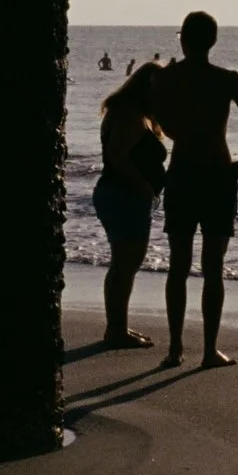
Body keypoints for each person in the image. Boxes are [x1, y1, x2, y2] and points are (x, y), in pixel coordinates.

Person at [147, 11, 238, 369]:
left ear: (183, 39)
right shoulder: (227, 80)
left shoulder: (168, 79)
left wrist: (177, 129)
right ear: (212, 41)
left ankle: (175, 348)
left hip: (183, 173)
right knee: (213, 266)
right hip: (217, 174)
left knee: (178, 265)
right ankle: (209, 349)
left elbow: (159, 122)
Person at [91, 65, 166, 349]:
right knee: (125, 263)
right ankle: (116, 330)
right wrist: (142, 185)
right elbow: (117, 156)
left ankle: (118, 327)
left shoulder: (134, 112)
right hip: (124, 195)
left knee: (124, 263)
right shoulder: (128, 114)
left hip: (122, 194)